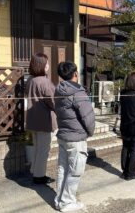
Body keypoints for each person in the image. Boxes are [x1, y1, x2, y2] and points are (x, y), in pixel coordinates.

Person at [54, 61, 95, 212]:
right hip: (76, 137)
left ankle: (60, 199)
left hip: (64, 135)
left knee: (63, 168)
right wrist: (90, 132)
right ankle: (67, 202)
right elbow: (88, 116)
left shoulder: (59, 90)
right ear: (75, 74)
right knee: (75, 170)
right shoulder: (78, 92)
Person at [26, 53, 56, 184]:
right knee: (43, 149)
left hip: (32, 119)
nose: (48, 65)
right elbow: (53, 102)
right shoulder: (44, 82)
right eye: (47, 63)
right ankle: (39, 176)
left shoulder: (30, 80)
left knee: (36, 148)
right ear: (42, 65)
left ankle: (34, 170)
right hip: (44, 120)